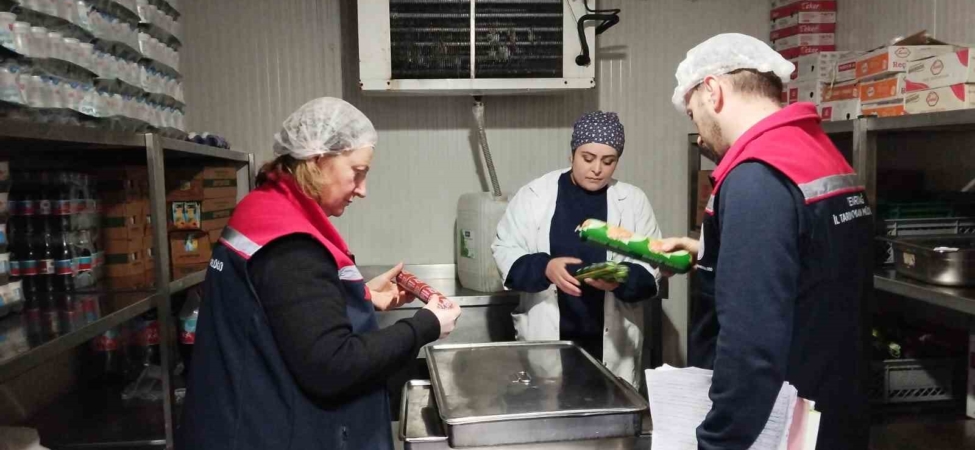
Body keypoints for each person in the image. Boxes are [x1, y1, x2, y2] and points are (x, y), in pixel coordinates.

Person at [177, 97, 462, 450]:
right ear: (317, 159)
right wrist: (425, 325)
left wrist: (359, 295)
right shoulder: (291, 245)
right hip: (269, 432)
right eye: (357, 172)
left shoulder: (261, 209)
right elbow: (332, 364)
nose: (362, 189)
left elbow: (282, 309)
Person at [657, 34, 872, 449]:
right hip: (835, 410)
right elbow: (811, 264)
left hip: (780, 425)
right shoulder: (819, 152)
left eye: (693, 115)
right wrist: (712, 254)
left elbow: (750, 349)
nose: (700, 135)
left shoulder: (756, 177)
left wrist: (717, 442)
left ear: (713, 91)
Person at [492, 111, 662, 386]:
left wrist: (620, 277)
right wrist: (545, 267)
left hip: (611, 345)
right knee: (548, 405)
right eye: (588, 158)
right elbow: (504, 250)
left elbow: (651, 268)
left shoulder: (633, 201)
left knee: (612, 405)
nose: (597, 169)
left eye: (608, 161)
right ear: (571, 155)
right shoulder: (535, 195)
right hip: (548, 340)